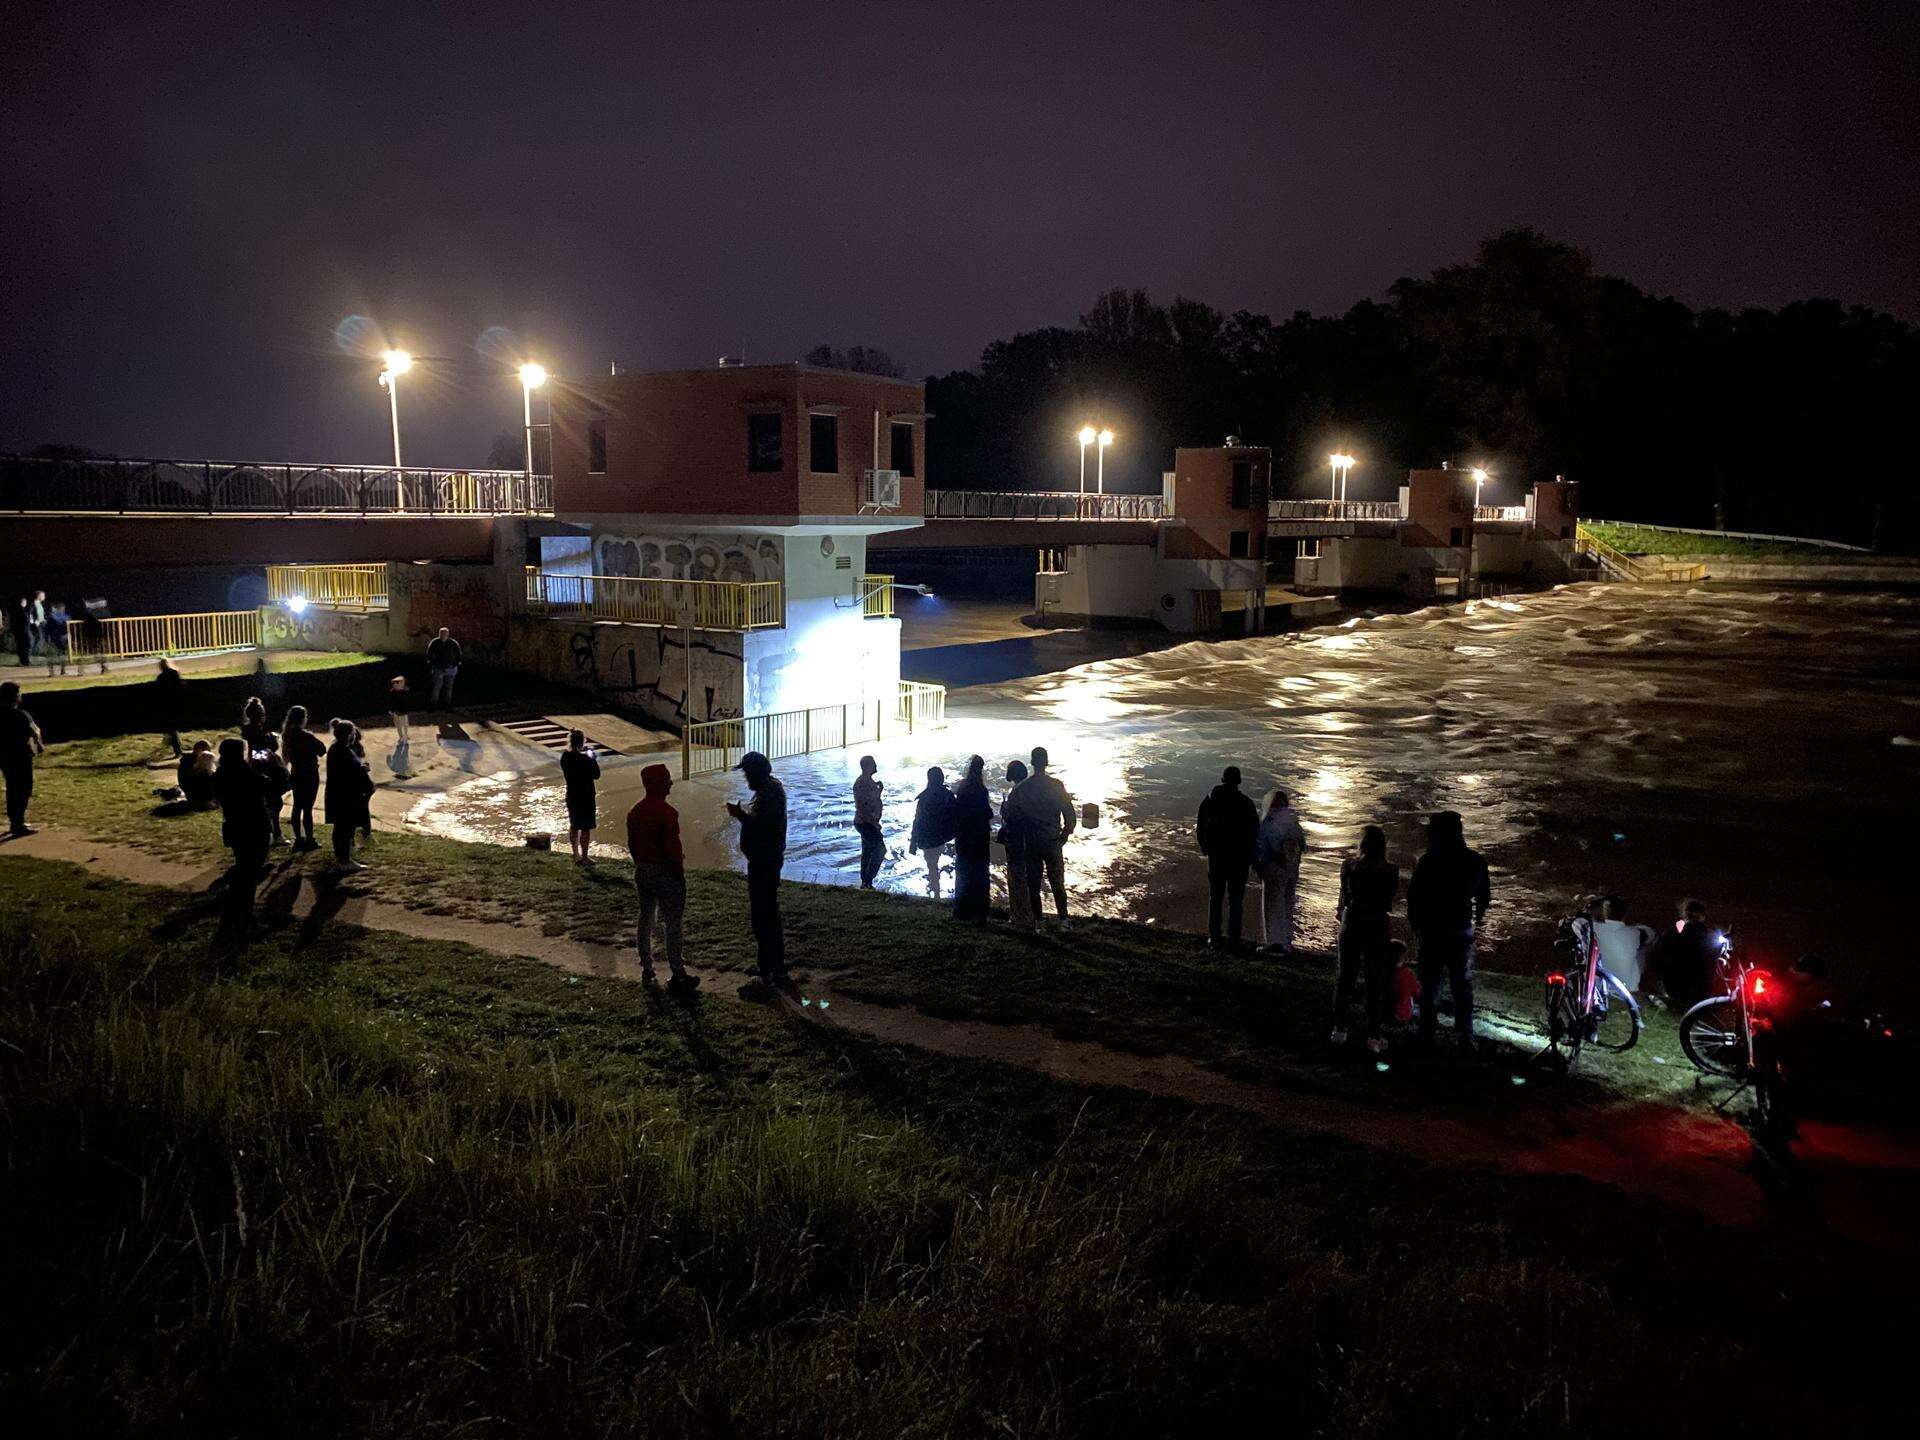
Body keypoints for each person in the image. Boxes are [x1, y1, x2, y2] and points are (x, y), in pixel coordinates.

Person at [1406, 810, 1492, 1055]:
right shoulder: (1475, 860)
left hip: (1432, 930)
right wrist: (1478, 919)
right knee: (1462, 987)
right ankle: (1464, 1036)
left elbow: (1414, 897)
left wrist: (1417, 925)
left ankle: (1426, 1034)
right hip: (1460, 930)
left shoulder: (1429, 860)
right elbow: (1484, 897)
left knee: (1430, 985)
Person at [625, 762, 697, 991]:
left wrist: (642, 864)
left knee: (646, 917)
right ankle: (678, 973)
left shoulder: (635, 812)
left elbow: (632, 845)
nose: (671, 782)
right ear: (659, 784)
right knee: (673, 922)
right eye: (667, 778)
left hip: (643, 870)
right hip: (665, 872)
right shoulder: (668, 813)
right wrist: (679, 874)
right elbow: (672, 850)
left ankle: (647, 966)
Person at [1330, 825, 1401, 1051]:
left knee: (1345, 977)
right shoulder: (1390, 870)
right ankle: (1373, 1035)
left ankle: (1339, 1029)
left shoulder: (1349, 866)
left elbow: (1344, 895)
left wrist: (1342, 911)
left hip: (1352, 920)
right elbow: (1390, 898)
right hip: (1377, 923)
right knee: (1375, 979)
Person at [727, 751, 789, 983]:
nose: (745, 778)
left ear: (756, 773)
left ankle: (770, 969)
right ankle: (770, 965)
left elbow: (764, 827)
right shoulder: (770, 790)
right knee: (766, 913)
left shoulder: (770, 795)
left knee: (764, 914)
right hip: (764, 860)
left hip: (765, 861)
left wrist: (741, 815)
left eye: (747, 773)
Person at [1003, 745, 1076, 928]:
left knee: (1033, 885)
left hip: (1032, 842)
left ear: (1032, 763)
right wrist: (1064, 836)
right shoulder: (1056, 785)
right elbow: (1070, 815)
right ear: (1046, 762)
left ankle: (1039, 922)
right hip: (1052, 841)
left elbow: (1011, 816)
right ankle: (1063, 920)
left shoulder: (1023, 788)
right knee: (1058, 883)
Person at [214, 737, 274, 930]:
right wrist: (268, 768)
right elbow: (271, 786)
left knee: (243, 870)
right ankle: (244, 917)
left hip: (234, 825)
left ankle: (232, 914)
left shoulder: (221, 772)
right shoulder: (244, 772)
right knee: (249, 873)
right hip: (253, 825)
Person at [1196, 766, 1259, 949]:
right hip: (1238, 859)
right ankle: (1234, 939)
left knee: (1216, 898)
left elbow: (1200, 826)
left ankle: (1214, 937)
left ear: (1223, 779)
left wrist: (1205, 848)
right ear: (1239, 782)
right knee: (1236, 900)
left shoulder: (1210, 800)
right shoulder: (1246, 803)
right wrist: (1250, 856)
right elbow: (1254, 832)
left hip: (1217, 857)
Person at [1254, 789, 1308, 955]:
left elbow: (1262, 845)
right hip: (1291, 870)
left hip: (1274, 869)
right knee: (1287, 905)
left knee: (1271, 906)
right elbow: (1303, 846)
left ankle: (1274, 943)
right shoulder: (1293, 822)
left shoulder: (1269, 821)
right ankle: (1286, 942)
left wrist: (1259, 866)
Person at [1647, 899, 1721, 1012]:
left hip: (1673, 984)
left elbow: (1656, 956)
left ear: (1685, 913)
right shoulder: (1710, 936)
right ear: (1703, 916)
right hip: (1700, 989)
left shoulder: (1673, 932)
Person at [324, 718, 374, 870]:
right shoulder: (343, 751)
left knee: (341, 827)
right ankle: (344, 860)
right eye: (352, 733)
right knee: (344, 827)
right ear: (348, 735)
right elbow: (349, 772)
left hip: (338, 793)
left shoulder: (336, 748)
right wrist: (362, 770)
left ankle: (342, 858)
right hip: (345, 795)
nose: (353, 736)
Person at [950, 755, 994, 922]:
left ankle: (961, 910)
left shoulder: (962, 787)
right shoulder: (981, 789)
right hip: (979, 837)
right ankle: (980, 911)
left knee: (963, 872)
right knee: (980, 873)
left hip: (963, 836)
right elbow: (986, 813)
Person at [1591, 894, 1657, 998]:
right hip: (1628, 989)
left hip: (1599, 986)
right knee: (1640, 947)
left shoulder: (1593, 929)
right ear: (1625, 914)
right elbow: (1651, 933)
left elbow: (1576, 923)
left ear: (1604, 913)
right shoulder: (1634, 933)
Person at [1, 681, 45, 836]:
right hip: (21, 755)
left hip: (5, 756)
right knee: (24, 788)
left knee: (12, 787)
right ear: (15, 696)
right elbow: (35, 731)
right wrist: (39, 746)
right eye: (19, 693)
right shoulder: (21, 715)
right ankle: (18, 824)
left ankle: (15, 821)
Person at [281, 705, 325, 849]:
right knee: (307, 809)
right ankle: (310, 839)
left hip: (296, 772)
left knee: (297, 806)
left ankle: (298, 839)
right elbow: (322, 750)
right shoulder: (306, 736)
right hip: (310, 774)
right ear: (303, 719)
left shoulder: (287, 735)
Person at [998, 759, 1034, 930]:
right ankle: (1028, 915)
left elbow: (1013, 817)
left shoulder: (1016, 792)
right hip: (1027, 841)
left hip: (1015, 841)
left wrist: (1004, 810)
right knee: (1025, 880)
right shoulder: (1028, 790)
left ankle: (1019, 917)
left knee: (1016, 880)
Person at [910, 766, 956, 899]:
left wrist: (913, 841)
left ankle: (935, 892)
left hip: (929, 837)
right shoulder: (947, 794)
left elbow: (918, 820)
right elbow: (956, 814)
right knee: (944, 863)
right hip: (946, 836)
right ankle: (939, 891)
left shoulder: (924, 797)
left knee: (932, 865)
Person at [560, 729, 600, 865]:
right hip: (586, 796)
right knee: (585, 828)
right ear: (582, 742)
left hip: (572, 794)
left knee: (574, 825)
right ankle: (585, 856)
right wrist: (593, 758)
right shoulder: (586, 760)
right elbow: (596, 775)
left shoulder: (565, 757)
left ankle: (575, 854)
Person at [253, 733, 292, 846]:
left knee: (273, 812)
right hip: (270, 788)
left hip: (273, 788)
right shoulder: (264, 754)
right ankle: (273, 835)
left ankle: (275, 834)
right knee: (271, 812)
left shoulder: (264, 754)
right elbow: (269, 769)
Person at [852, 755, 885, 889]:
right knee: (880, 849)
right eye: (873, 764)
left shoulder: (869, 782)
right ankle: (867, 879)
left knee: (868, 850)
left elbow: (873, 801)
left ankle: (866, 882)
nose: (876, 766)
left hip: (868, 822)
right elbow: (861, 806)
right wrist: (873, 822)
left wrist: (879, 791)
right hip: (865, 822)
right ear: (867, 766)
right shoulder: (861, 783)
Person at [154, 657, 185, 757]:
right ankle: (177, 748)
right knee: (173, 727)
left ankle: (177, 749)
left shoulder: (161, 677)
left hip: (166, 704)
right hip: (175, 703)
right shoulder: (175, 673)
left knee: (171, 728)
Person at [177, 739, 217, 809]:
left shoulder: (191, 759)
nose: (209, 752)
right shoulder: (189, 761)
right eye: (208, 750)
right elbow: (190, 780)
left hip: (192, 792)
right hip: (193, 792)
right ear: (199, 749)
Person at [427, 627, 462, 708]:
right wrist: (432, 663)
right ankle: (434, 705)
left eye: (444, 634)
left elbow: (459, 654)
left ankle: (447, 705)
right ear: (439, 634)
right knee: (437, 687)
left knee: (448, 687)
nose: (443, 635)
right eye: (441, 634)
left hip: (450, 668)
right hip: (439, 668)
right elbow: (429, 653)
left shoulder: (453, 643)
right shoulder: (435, 642)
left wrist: (455, 664)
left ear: (447, 634)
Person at [1387, 941, 1419, 1027]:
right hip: (1403, 1016)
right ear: (1403, 957)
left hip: (1384, 1014)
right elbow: (1417, 993)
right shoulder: (1408, 974)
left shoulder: (1383, 973)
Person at [42, 602, 69, 676]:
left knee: (52, 655)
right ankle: (62, 671)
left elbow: (46, 629)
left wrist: (46, 638)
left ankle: (52, 672)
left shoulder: (51, 617)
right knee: (62, 654)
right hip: (60, 638)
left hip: (53, 639)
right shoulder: (65, 617)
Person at [388, 674, 414, 745]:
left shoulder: (406, 691)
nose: (395, 685)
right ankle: (401, 736)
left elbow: (407, 702)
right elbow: (391, 702)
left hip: (403, 712)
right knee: (398, 725)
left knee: (405, 724)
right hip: (396, 712)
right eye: (394, 683)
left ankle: (405, 735)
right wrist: (391, 710)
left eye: (401, 682)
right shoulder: (392, 692)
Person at [9, 598, 30, 668]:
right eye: (25, 602)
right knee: (23, 647)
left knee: (21, 647)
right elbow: (25, 621)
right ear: (23, 602)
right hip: (23, 631)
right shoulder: (22, 611)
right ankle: (24, 661)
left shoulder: (16, 610)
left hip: (19, 631)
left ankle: (23, 661)